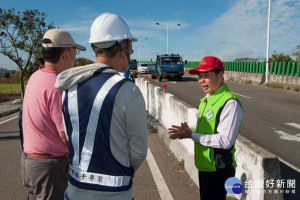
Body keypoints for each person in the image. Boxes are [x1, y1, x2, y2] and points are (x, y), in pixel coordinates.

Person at [54, 13, 148, 200]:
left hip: (74, 190)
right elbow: (139, 151)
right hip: (115, 193)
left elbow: (69, 135)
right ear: (123, 48)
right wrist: (123, 169)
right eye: (129, 48)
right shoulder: (128, 90)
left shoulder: (69, 87)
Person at [21, 28, 86, 200]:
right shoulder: (57, 86)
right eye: (74, 52)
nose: (75, 57)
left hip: (31, 162)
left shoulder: (36, 76)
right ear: (65, 54)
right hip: (49, 168)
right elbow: (65, 134)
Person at [168, 56, 243, 200]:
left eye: (206, 76)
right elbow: (209, 129)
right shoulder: (207, 99)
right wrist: (187, 131)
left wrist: (192, 135)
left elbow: (225, 141)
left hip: (218, 169)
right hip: (205, 167)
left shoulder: (230, 103)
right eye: (199, 76)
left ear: (220, 74)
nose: (201, 80)